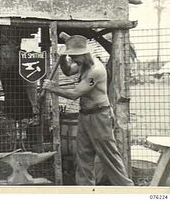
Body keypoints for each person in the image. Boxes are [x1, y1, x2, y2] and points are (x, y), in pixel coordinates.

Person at [42, 35, 133, 186]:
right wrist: (63, 58)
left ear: (84, 53)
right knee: (83, 156)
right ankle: (85, 191)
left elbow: (75, 94)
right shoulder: (83, 63)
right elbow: (68, 71)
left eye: (74, 56)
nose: (72, 59)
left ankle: (127, 189)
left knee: (109, 156)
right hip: (85, 115)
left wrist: (53, 87)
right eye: (70, 56)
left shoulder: (95, 71)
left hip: (100, 116)